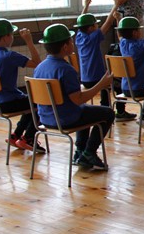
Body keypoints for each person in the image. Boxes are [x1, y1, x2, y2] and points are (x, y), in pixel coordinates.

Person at [33, 24, 114, 171]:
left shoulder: (39, 68)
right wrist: (101, 85)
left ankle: (80, 152)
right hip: (65, 119)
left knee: (85, 110)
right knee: (108, 113)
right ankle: (89, 152)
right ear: (65, 47)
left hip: (45, 118)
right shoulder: (66, 69)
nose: (73, 43)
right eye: (71, 41)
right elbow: (78, 99)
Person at [0, 19, 43, 152]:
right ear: (5, 37)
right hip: (8, 102)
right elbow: (37, 63)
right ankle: (29, 138)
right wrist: (29, 41)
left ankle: (16, 135)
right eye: (11, 34)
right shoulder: (9, 55)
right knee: (41, 102)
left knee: (29, 102)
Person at [74, 0, 133, 121]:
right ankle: (115, 112)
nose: (97, 25)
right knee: (118, 84)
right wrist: (115, 6)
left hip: (84, 79)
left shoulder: (79, 37)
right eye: (95, 24)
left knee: (108, 83)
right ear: (90, 28)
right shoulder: (93, 37)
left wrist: (86, 6)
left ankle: (106, 109)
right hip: (96, 79)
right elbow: (108, 22)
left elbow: (81, 22)